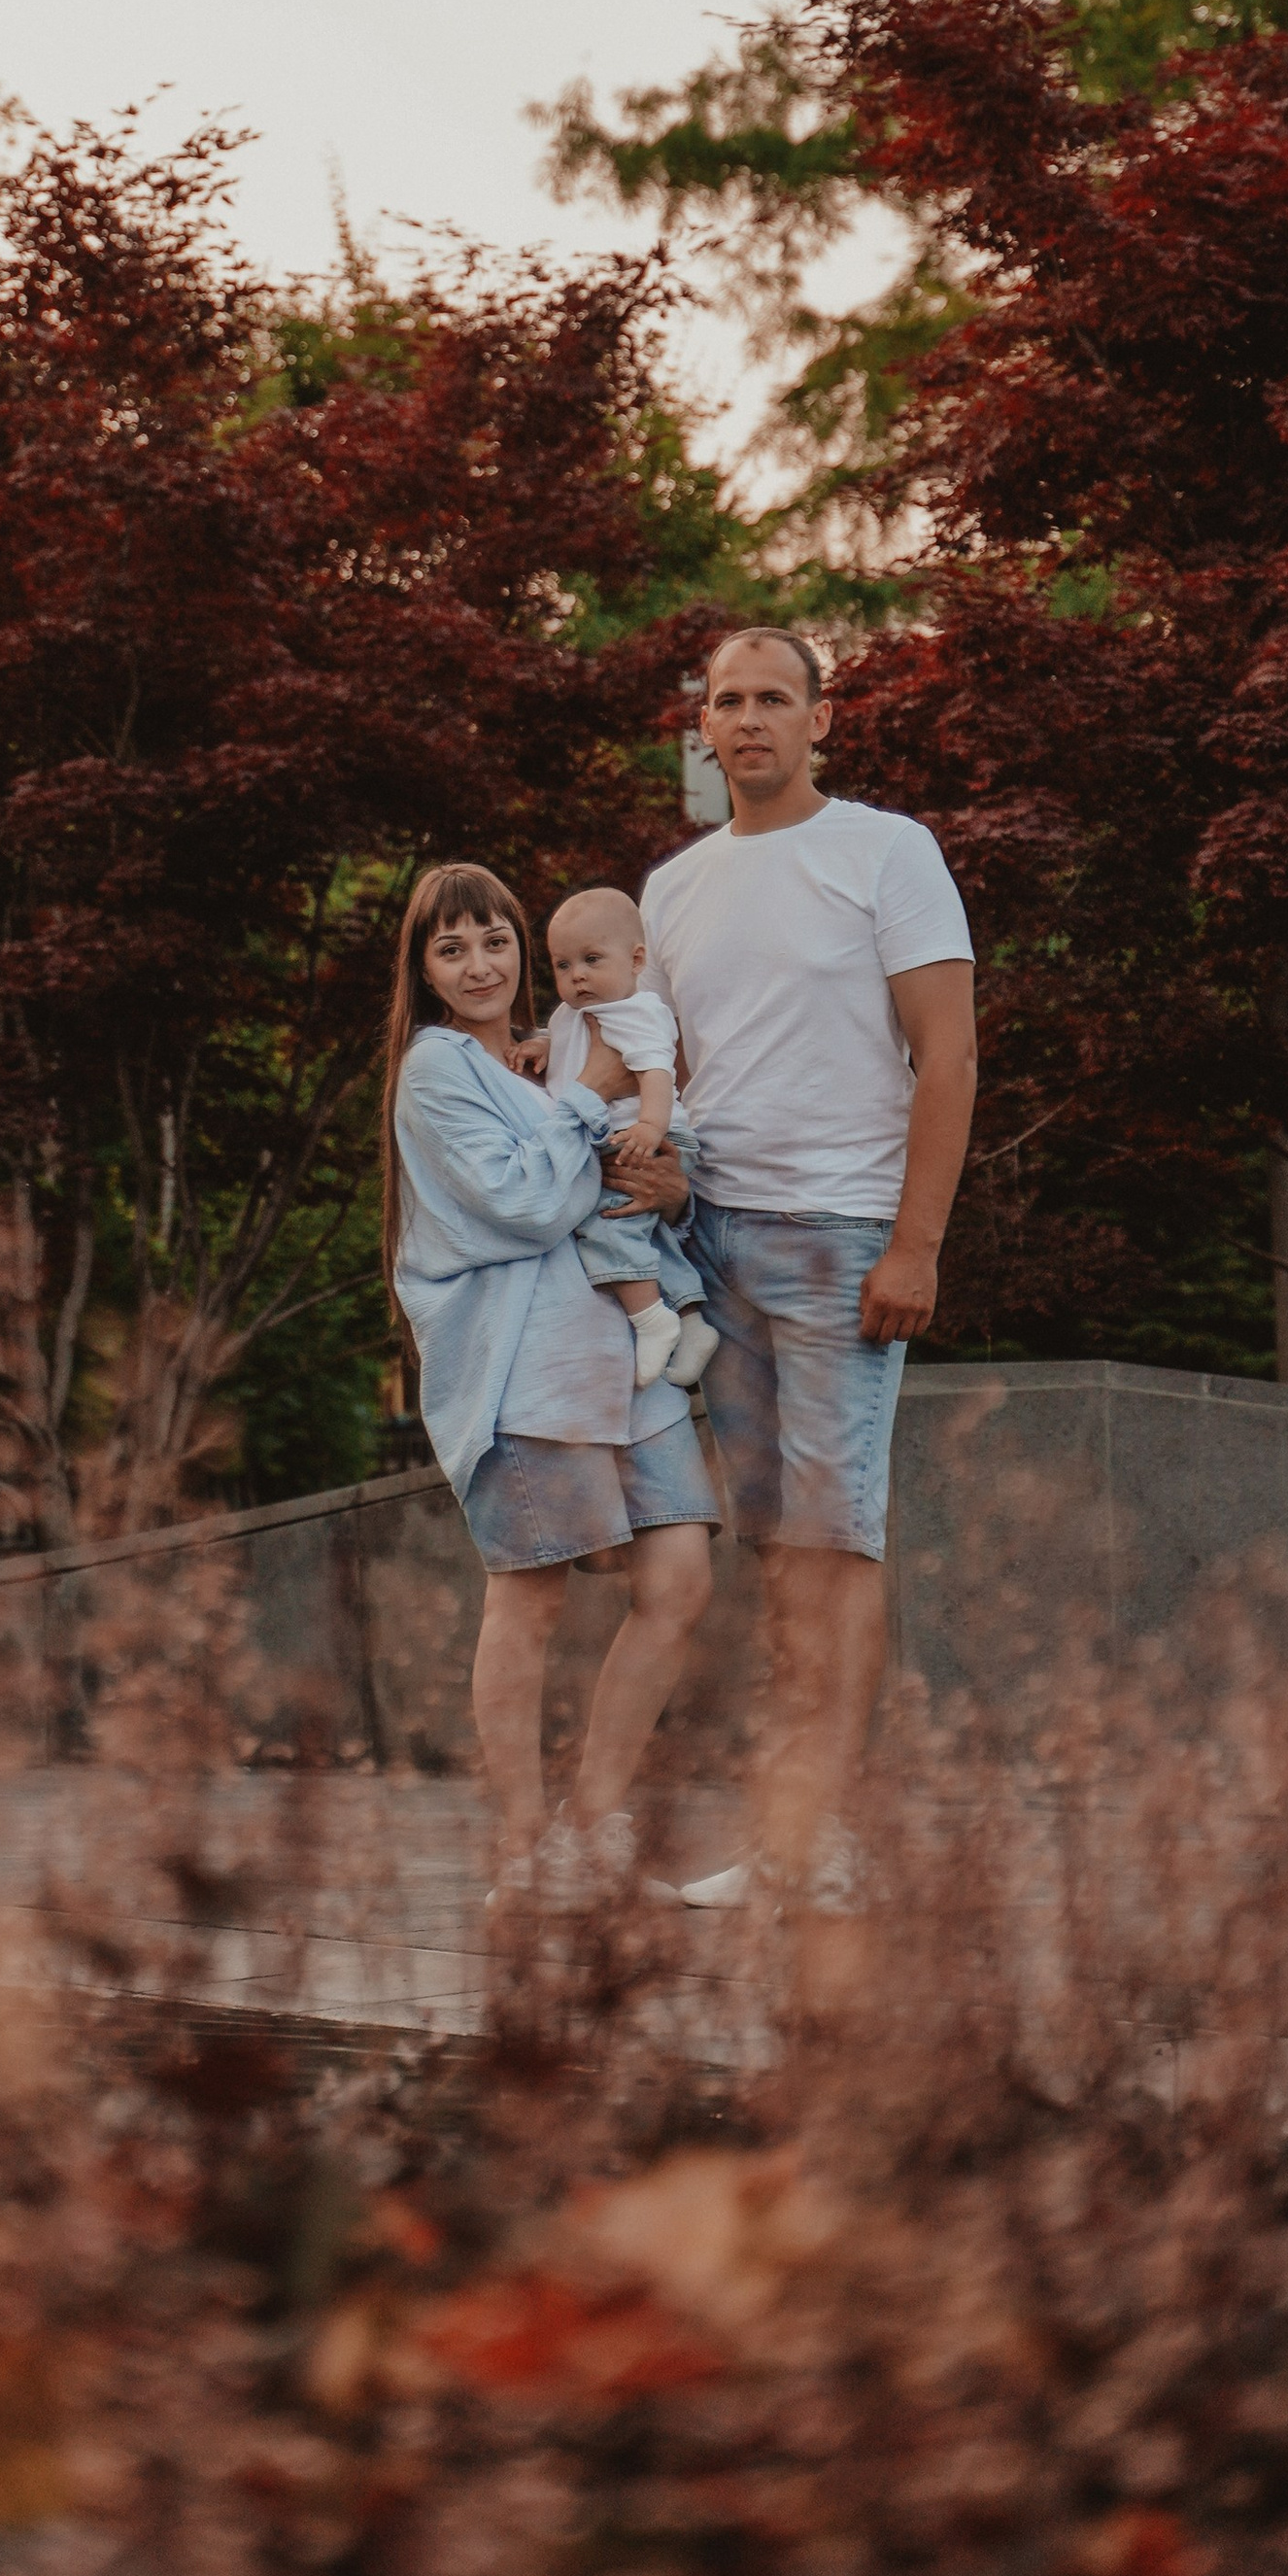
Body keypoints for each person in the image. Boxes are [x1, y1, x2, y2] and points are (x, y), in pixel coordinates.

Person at [629, 628, 976, 1915]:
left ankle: (822, 1842)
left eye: (777, 697)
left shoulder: (887, 852)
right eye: (729, 700)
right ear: (704, 728)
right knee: (783, 1554)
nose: (751, 718)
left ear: (823, 720)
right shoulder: (672, 890)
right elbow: (660, 1078)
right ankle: (788, 1838)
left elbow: (947, 1057)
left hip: (842, 1246)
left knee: (835, 1545)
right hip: (711, 1245)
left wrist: (915, 1243)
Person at [383, 859, 716, 1906]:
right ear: (425, 970)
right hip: (524, 1366)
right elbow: (522, 1204)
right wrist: (592, 1099)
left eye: (494, 940)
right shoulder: (437, 1073)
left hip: (627, 1362)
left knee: (679, 1582)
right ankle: (525, 1857)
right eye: (451, 948)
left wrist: (663, 1185)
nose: (479, 964)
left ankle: (592, 1830)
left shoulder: (563, 1042)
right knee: (526, 1603)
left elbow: (645, 1180)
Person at [529, 886, 717, 1391]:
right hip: (620, 1133)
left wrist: (651, 1128)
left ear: (636, 960)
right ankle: (692, 1320)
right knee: (645, 1231)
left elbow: (657, 1072)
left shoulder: (636, 1010)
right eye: (563, 965)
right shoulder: (571, 1015)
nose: (577, 976)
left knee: (606, 1223)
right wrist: (541, 1046)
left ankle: (650, 1318)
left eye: (592, 960)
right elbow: (568, 1046)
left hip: (645, 1133)